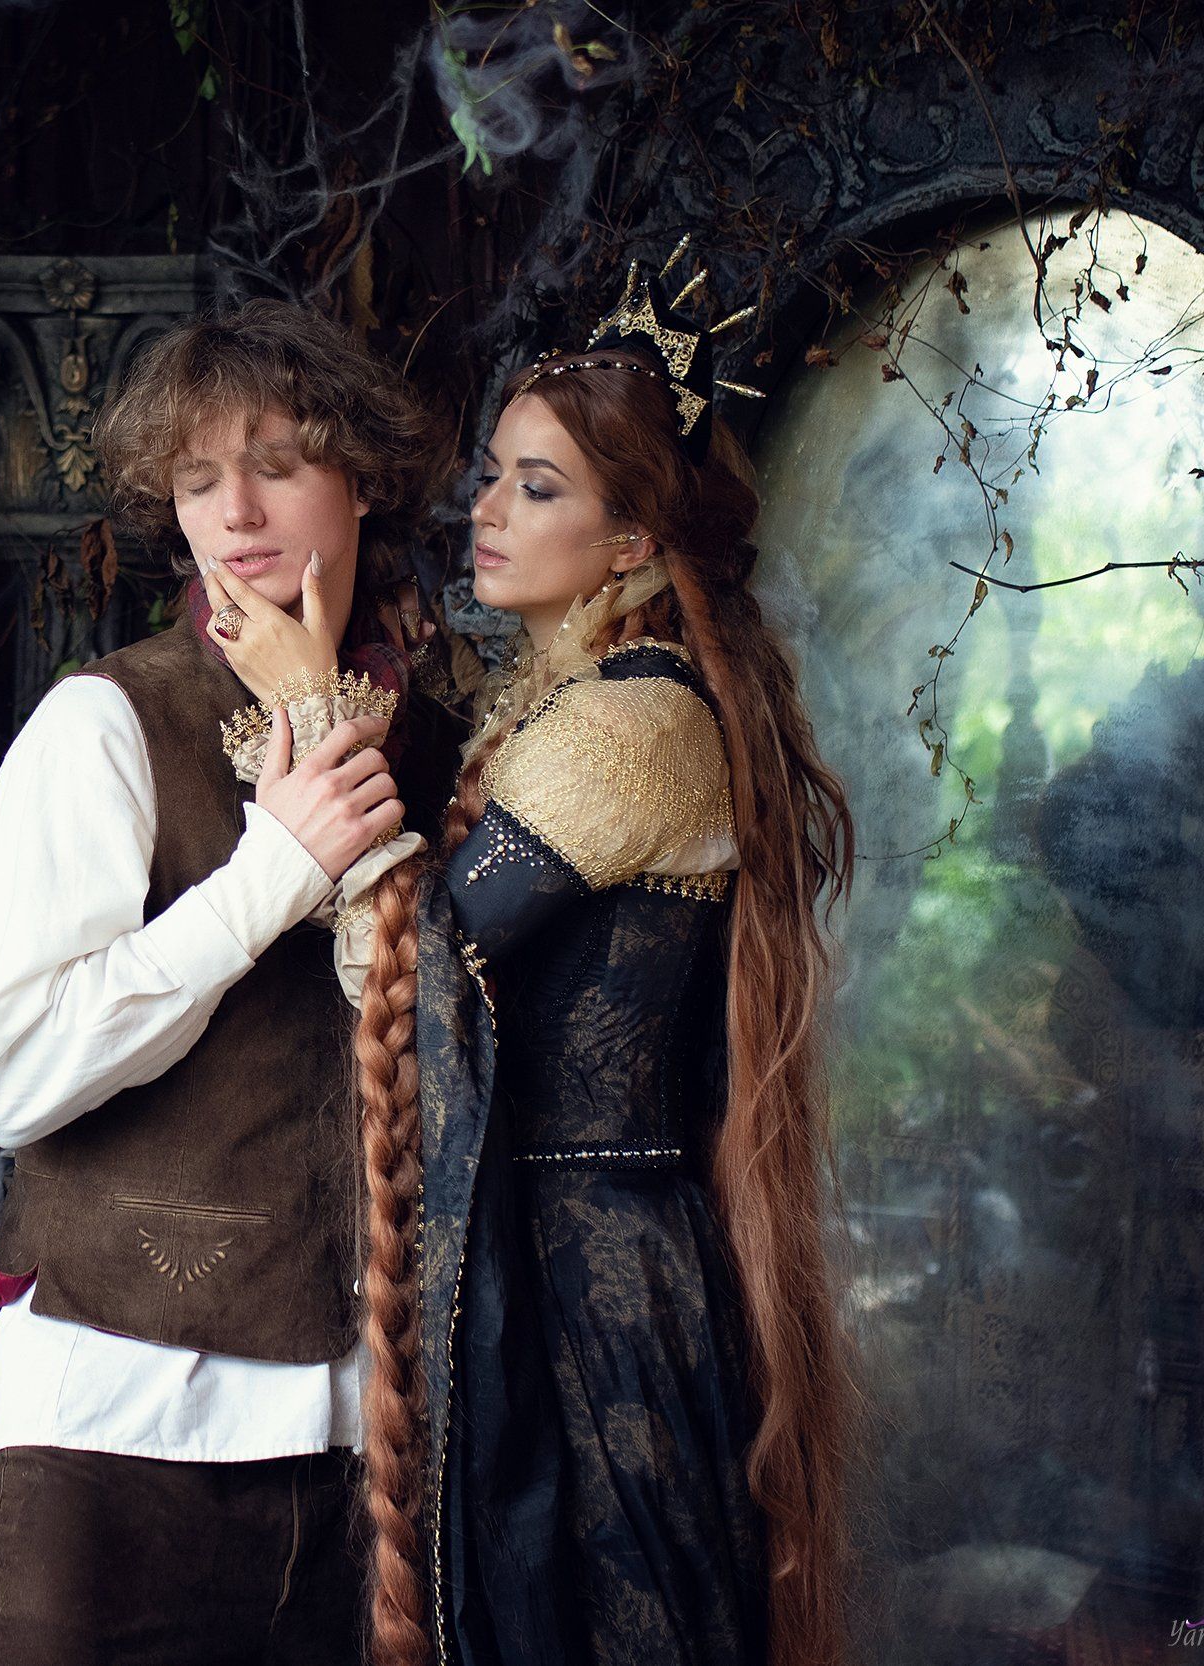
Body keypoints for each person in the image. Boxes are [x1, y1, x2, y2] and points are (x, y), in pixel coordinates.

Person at [220, 256, 857, 1666]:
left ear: (631, 540)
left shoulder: (635, 721)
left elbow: (419, 961)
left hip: (595, 1277)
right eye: (495, 477)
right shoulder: (561, 703)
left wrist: (307, 702)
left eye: (539, 487)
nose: (490, 511)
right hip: (546, 1250)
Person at [0, 300, 463, 1666]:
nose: (234, 513)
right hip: (117, 1422)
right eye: (195, 480)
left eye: (277, 465)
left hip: (369, 1447)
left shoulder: (441, 739)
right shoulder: (101, 724)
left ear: (363, 477)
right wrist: (265, 879)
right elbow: (8, 1079)